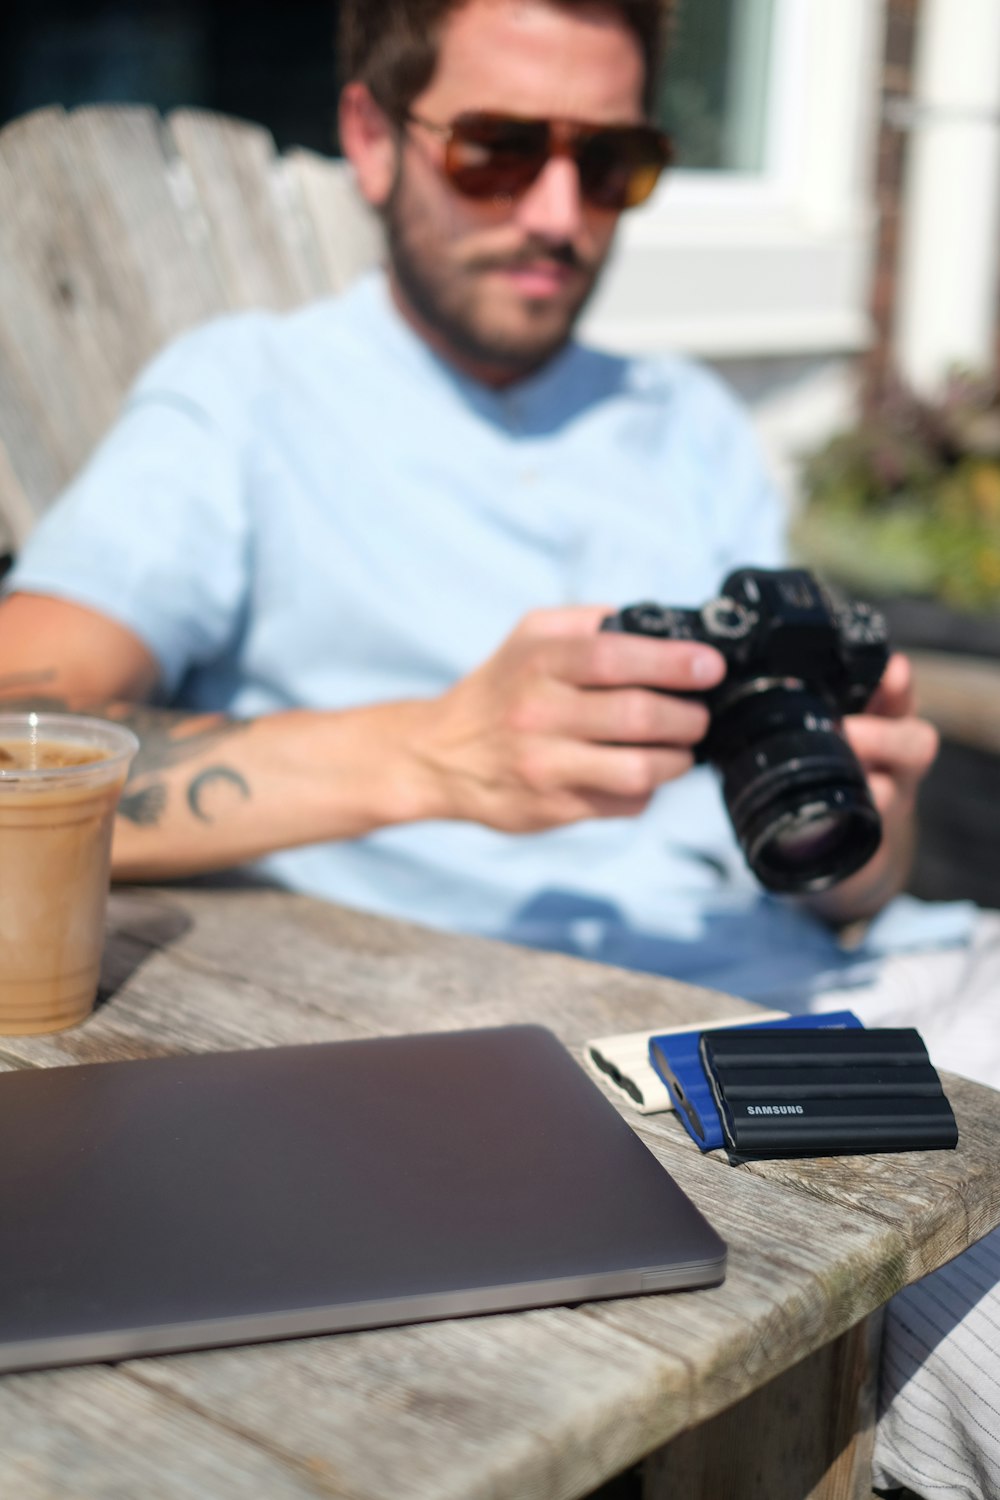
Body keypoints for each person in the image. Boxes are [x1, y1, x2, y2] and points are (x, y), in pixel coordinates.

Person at [0, 2, 996, 1494]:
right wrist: (430, 756)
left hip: (911, 983)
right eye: (498, 149)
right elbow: (23, 733)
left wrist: (872, 825)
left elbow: (836, 873)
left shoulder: (691, 421)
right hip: (645, 1093)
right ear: (366, 138)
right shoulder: (247, 399)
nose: (556, 212)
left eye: (614, 164)